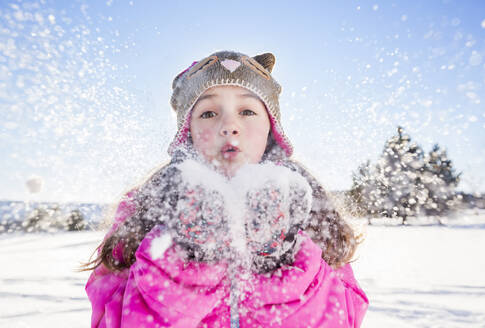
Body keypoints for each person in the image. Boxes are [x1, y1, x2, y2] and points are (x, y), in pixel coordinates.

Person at [83, 50, 368, 328]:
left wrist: (282, 259)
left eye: (247, 111)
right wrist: (189, 260)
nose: (229, 125)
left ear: (271, 129)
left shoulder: (307, 205)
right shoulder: (147, 205)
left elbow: (346, 314)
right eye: (208, 113)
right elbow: (109, 317)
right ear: (188, 133)